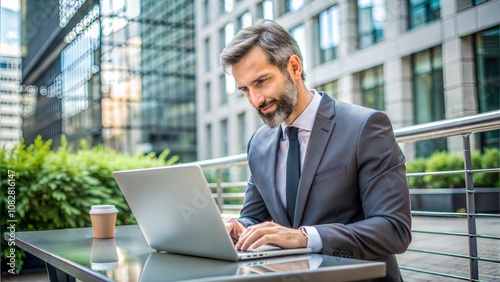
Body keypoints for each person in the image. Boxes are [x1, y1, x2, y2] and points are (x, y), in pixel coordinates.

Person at [220, 19, 412, 281]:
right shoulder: (259, 143)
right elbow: (254, 216)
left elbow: (394, 229)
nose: (255, 100)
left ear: (294, 67)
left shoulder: (364, 127)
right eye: (245, 89)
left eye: (262, 81)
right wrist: (240, 227)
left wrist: (304, 238)